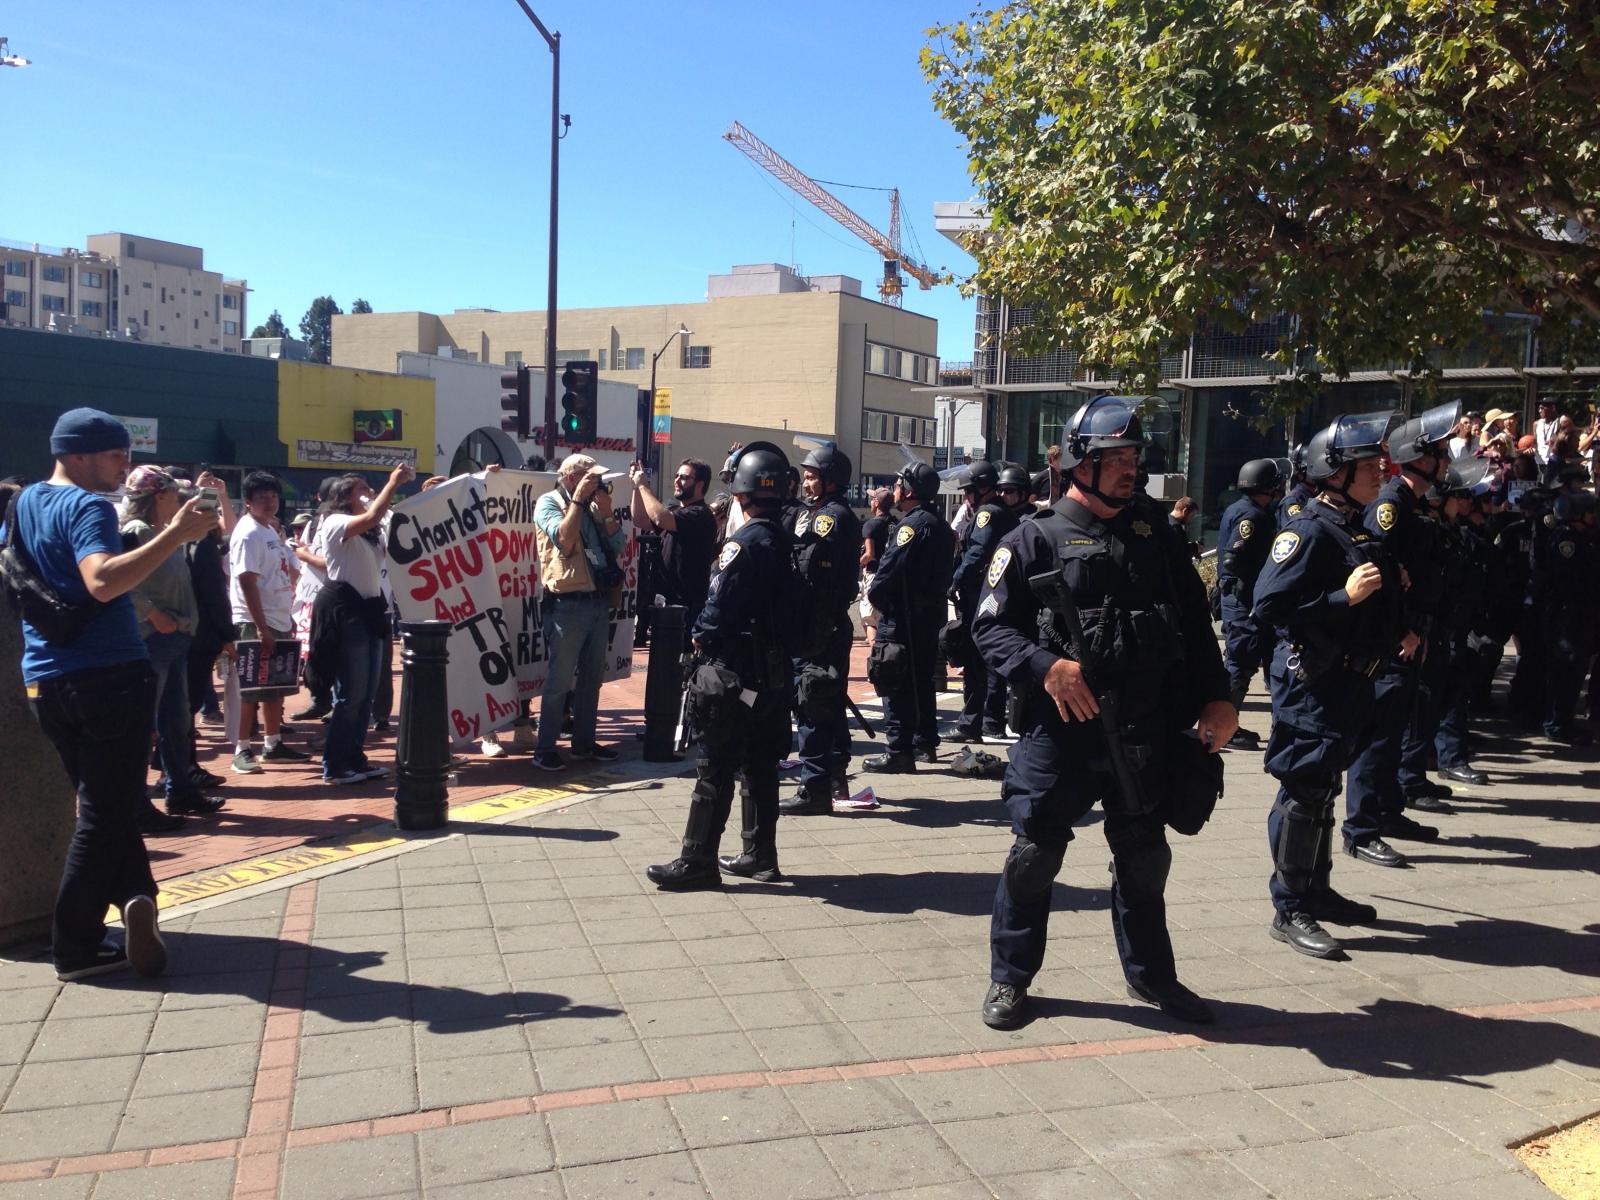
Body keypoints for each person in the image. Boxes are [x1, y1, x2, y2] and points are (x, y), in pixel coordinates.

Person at [972, 396, 1236, 1028]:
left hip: (1144, 727)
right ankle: (1011, 979)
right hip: (1061, 732)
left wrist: (1218, 696)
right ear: (1080, 464)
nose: (1128, 468)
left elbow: (1196, 628)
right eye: (1114, 457)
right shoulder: (1032, 537)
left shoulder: (1159, 537)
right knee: (1035, 857)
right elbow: (987, 629)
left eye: (1133, 456)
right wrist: (1047, 668)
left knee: (1145, 860)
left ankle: (1154, 980)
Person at [5, 408, 214, 981]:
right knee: (102, 812)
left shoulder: (24, 502)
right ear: (76, 455)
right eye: (116, 455)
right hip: (110, 674)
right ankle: (73, 943)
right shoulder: (88, 505)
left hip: (46, 678)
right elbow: (101, 581)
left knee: (109, 802)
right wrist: (177, 534)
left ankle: (136, 895)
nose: (126, 466)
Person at [1251, 412, 1403, 958]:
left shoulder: (1355, 524)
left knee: (1322, 790)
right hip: (1312, 683)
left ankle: (1316, 889)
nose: (1378, 473)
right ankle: (1289, 907)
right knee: (1304, 791)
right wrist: (1345, 598)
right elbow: (1268, 603)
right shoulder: (1309, 529)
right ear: (1333, 471)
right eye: (1367, 465)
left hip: (1348, 683)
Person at [647, 443, 797, 889]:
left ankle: (697, 861)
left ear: (743, 493)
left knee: (713, 766)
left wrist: (700, 635)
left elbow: (718, 608)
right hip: (771, 672)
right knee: (760, 767)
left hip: (734, 670)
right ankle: (759, 854)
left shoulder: (743, 543)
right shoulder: (785, 539)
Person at [1342, 402, 1457, 870]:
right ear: (1419, 458)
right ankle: (1362, 828)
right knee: (1378, 737)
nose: (1446, 461)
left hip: (1413, 635)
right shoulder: (1390, 506)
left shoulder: (1409, 504)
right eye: (1439, 453)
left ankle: (1387, 811)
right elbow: (1377, 579)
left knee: (1395, 732)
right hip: (1394, 642)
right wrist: (1401, 632)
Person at [118, 467, 224, 825]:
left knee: (176, 722)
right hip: (156, 638)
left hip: (175, 638)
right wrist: (152, 614)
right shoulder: (137, 532)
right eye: (173, 495)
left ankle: (180, 789)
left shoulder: (164, 533)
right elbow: (122, 580)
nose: (178, 501)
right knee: (148, 724)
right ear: (159, 497)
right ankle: (137, 801)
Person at [780, 443, 863, 815]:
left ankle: (813, 786)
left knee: (812, 700)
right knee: (827, 699)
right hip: (826, 623)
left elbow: (808, 568)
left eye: (813, 477)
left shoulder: (828, 518)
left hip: (819, 625)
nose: (807, 483)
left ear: (830, 481)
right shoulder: (823, 513)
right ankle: (833, 777)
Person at [313, 466, 411, 784]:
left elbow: (389, 530)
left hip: (370, 613)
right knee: (351, 693)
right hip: (347, 612)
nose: (368, 493)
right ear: (344, 497)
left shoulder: (370, 531)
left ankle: (355, 757)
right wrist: (392, 484)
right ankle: (335, 763)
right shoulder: (335, 523)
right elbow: (370, 518)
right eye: (361, 489)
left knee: (367, 693)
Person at [531, 454, 626, 771]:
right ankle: (545, 748)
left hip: (598, 601)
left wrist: (608, 513)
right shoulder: (549, 503)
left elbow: (618, 544)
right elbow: (564, 539)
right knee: (559, 681)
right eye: (591, 477)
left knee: (591, 680)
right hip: (567, 605)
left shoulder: (596, 506)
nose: (598, 483)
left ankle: (584, 743)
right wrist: (577, 502)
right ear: (571, 477)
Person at [863, 460, 956, 772]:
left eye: (900, 484)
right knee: (922, 679)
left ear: (911, 490)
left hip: (902, 617)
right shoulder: (941, 525)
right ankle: (924, 742)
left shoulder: (911, 526)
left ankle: (899, 749)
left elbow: (889, 570)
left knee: (894, 678)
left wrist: (877, 599)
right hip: (929, 616)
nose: (896, 490)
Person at [227, 471, 309, 775]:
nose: (270, 502)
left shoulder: (270, 531)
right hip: (255, 620)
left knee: (275, 685)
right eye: (262, 497)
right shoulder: (248, 532)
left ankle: (273, 744)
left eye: (273, 496)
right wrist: (260, 627)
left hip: (278, 617)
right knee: (251, 687)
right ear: (248, 502)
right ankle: (242, 748)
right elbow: (247, 581)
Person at [1217, 459, 1285, 749]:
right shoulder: (1251, 516)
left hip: (1243, 601)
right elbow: (1235, 559)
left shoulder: (1242, 508)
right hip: (1244, 602)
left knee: (1243, 663)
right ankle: (1226, 727)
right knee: (1240, 664)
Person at [949, 461, 1018, 743]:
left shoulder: (986, 514)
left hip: (980, 595)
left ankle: (971, 722)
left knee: (977, 661)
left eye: (968, 491)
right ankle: (990, 721)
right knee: (991, 660)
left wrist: (955, 580)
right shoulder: (1004, 513)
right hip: (998, 595)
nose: (966, 497)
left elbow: (977, 552)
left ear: (981, 488)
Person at [628, 457, 717, 632]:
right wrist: (636, 487)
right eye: (676, 476)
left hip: (687, 606)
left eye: (684, 477)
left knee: (677, 657)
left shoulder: (700, 514)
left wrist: (643, 485)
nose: (677, 480)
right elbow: (640, 519)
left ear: (700, 484)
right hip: (666, 603)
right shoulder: (677, 511)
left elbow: (661, 517)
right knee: (661, 656)